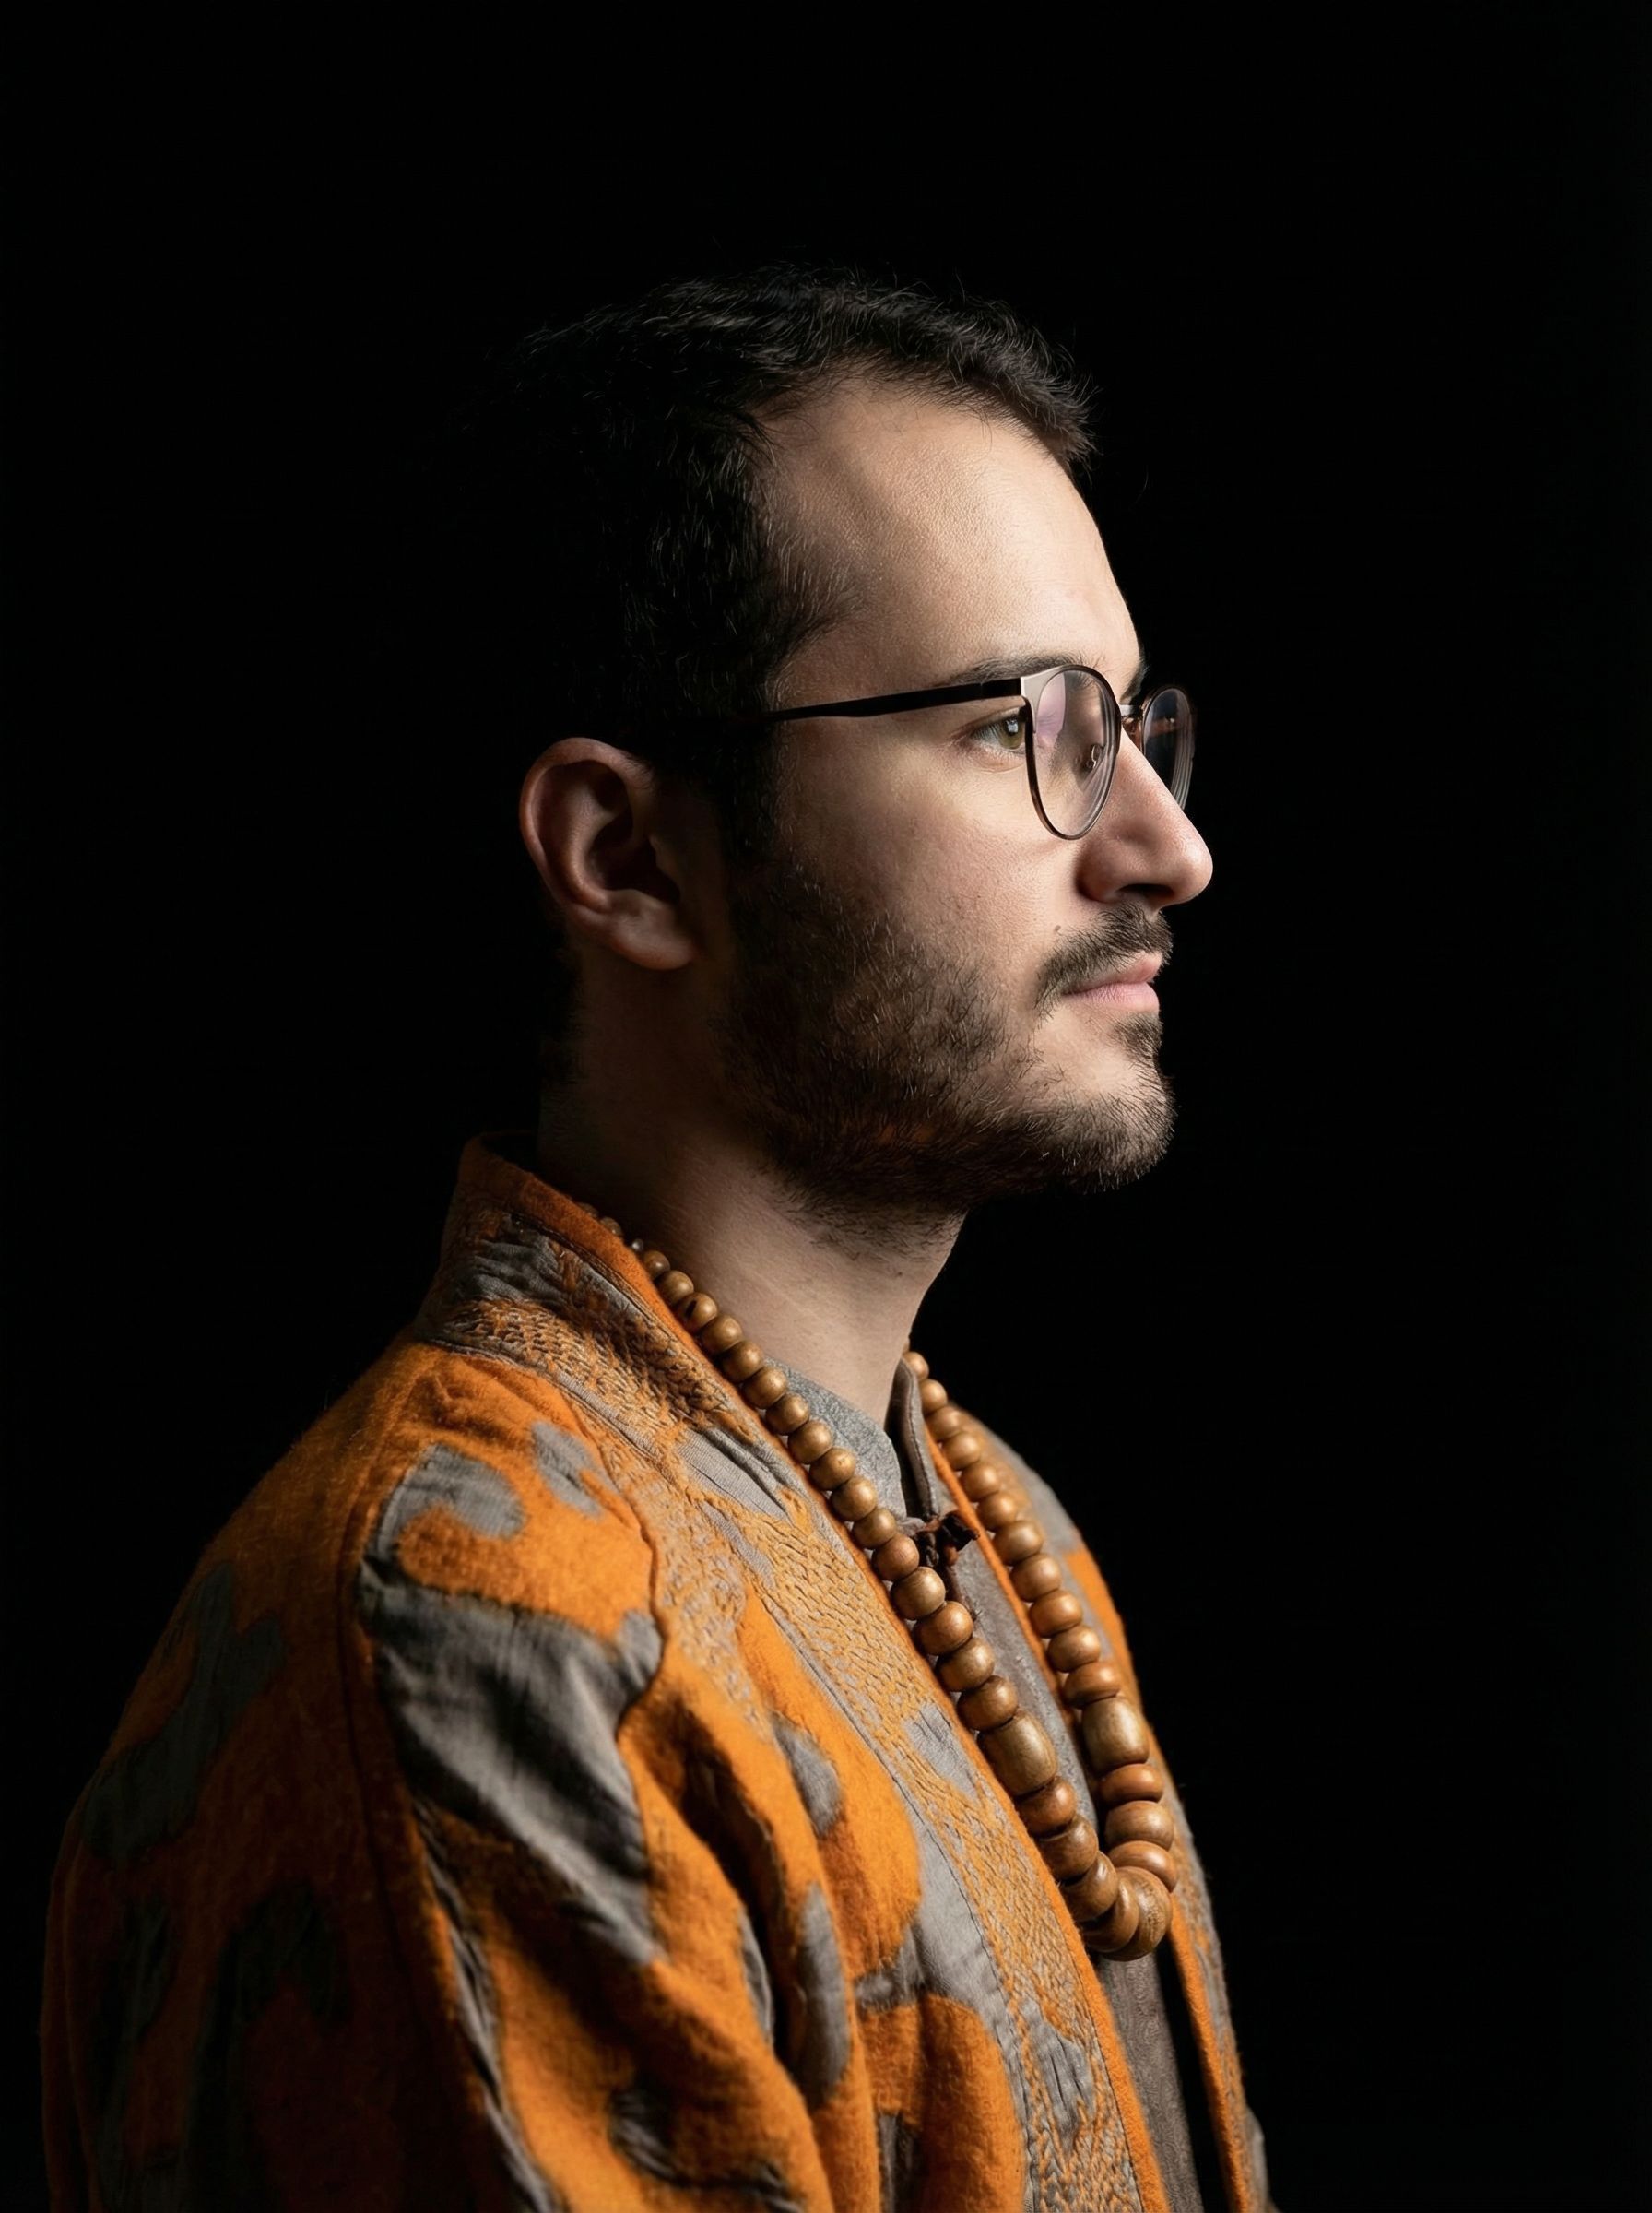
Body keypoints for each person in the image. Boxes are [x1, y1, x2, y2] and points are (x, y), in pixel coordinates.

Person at [41, 267, 1276, 2211]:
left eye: (1128, 724)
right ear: (627, 857)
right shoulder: (475, 1624)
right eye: (1017, 726)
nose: (1162, 849)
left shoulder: (996, 1530)